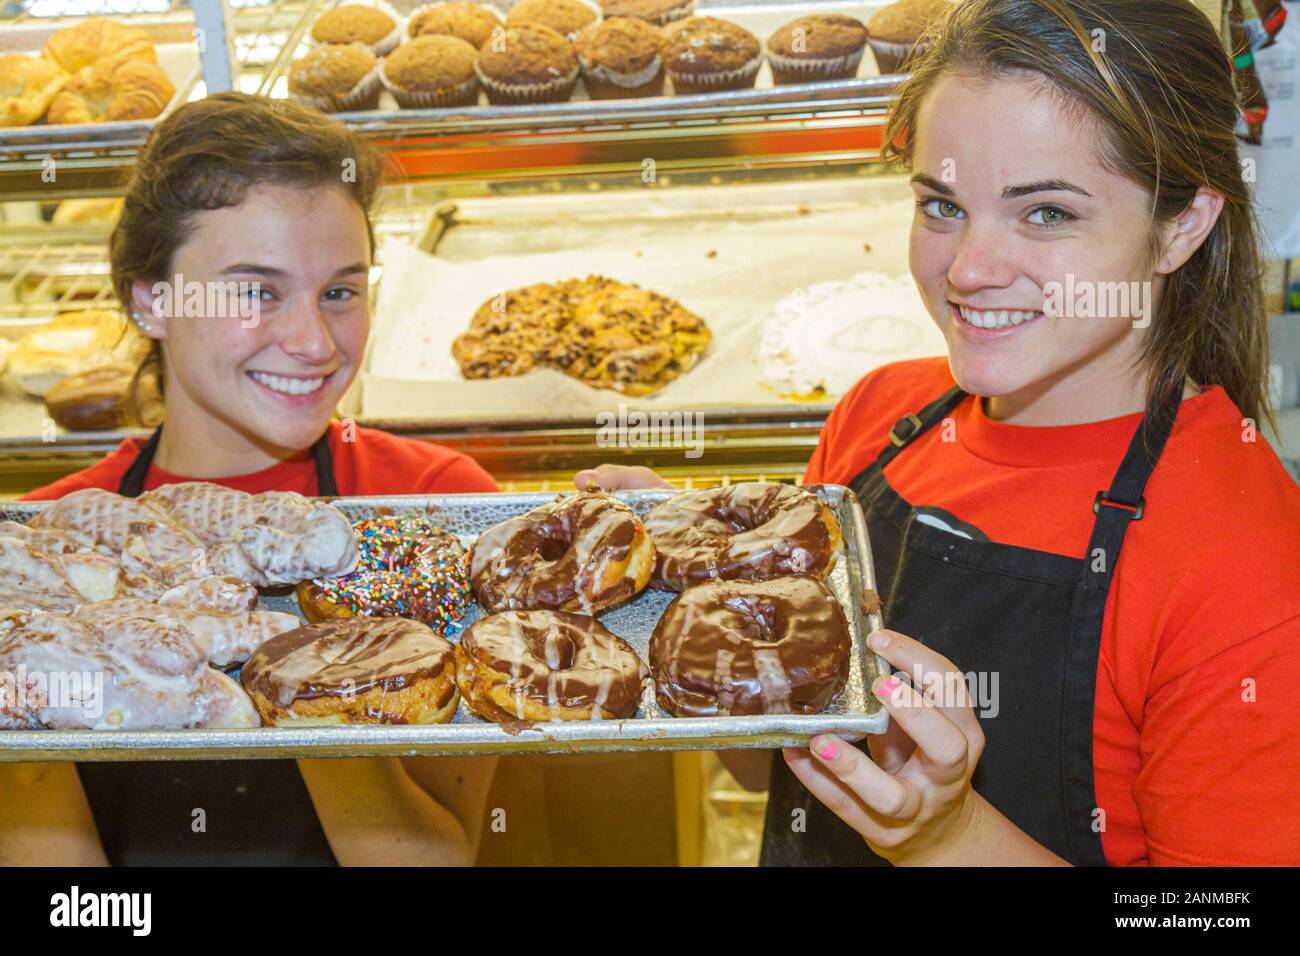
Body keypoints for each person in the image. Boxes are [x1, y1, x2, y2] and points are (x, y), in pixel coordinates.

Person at [577, 0, 1300, 866]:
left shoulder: (1248, 571)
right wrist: (688, 603)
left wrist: (949, 839)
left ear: (1182, 225)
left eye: (1046, 214)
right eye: (942, 205)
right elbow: (768, 760)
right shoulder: (879, 419)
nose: (969, 269)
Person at [1, 93, 498, 866]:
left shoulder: (439, 509)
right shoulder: (47, 551)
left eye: (340, 290)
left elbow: (429, 859)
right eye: (255, 291)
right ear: (149, 300)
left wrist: (291, 655)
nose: (313, 343)